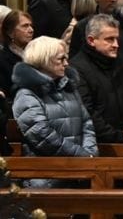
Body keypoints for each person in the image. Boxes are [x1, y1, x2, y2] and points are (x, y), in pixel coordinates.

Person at [12, 36, 97, 184]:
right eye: (60, 59)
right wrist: (81, 156)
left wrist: (90, 153)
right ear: (44, 60)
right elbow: (42, 135)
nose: (66, 63)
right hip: (46, 176)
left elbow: (86, 123)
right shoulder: (27, 94)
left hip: (79, 172)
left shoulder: (69, 88)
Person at [71, 14, 123, 145]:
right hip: (100, 145)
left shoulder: (121, 61)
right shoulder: (77, 68)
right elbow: (86, 112)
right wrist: (119, 136)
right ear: (91, 40)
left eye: (117, 39)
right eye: (109, 39)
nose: (116, 45)